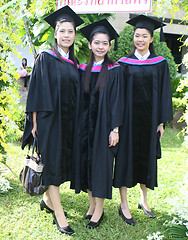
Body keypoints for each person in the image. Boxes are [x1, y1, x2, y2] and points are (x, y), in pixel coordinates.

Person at [21, 5, 84, 236]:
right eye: (62, 31)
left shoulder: (74, 62)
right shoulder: (45, 57)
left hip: (68, 123)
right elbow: (36, 91)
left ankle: (47, 200)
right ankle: (60, 215)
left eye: (70, 31)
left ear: (75, 34)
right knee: (53, 164)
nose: (66, 35)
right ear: (55, 33)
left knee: (60, 164)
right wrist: (35, 123)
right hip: (49, 121)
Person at [113, 15, 173, 226]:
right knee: (124, 160)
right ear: (134, 38)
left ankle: (143, 200)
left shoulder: (160, 63)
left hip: (149, 122)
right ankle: (123, 204)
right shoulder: (123, 64)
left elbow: (165, 92)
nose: (139, 39)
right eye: (137, 35)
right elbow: (118, 95)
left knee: (146, 160)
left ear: (151, 39)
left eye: (144, 36)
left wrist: (161, 121)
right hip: (127, 123)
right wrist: (116, 124)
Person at [71, 19, 125, 229]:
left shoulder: (115, 70)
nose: (100, 47)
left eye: (104, 43)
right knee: (86, 164)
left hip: (104, 127)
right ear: (91, 44)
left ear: (109, 46)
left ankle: (99, 210)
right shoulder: (83, 69)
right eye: (97, 43)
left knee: (101, 166)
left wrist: (115, 129)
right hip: (84, 127)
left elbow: (118, 101)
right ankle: (92, 204)